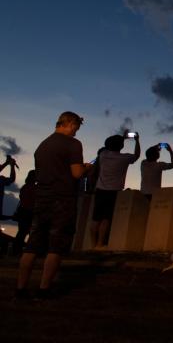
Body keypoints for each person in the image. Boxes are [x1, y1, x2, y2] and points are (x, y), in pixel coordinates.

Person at [16, 111, 94, 299]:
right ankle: (44, 289)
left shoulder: (42, 146)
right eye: (76, 127)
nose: (76, 132)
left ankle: (20, 289)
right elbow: (76, 174)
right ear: (69, 123)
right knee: (56, 245)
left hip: (42, 198)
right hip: (63, 198)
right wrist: (86, 168)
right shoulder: (73, 144)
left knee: (32, 245)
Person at [90, 132, 140, 248]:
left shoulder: (103, 154)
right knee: (106, 218)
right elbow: (136, 155)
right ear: (121, 146)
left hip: (100, 190)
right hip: (114, 191)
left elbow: (110, 145)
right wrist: (136, 140)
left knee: (95, 218)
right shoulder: (124, 158)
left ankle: (93, 244)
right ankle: (99, 244)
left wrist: (121, 137)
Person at [12, 170, 37, 256]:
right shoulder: (34, 188)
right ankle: (27, 251)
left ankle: (16, 251)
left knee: (22, 232)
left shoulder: (24, 187)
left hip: (23, 212)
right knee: (29, 233)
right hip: (29, 212)